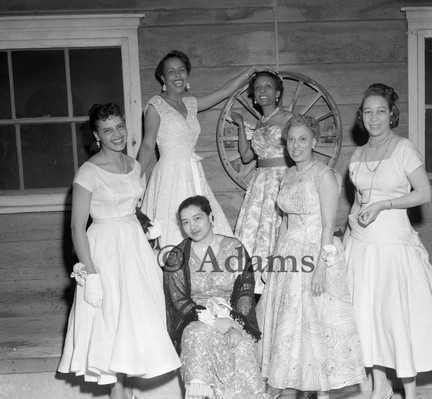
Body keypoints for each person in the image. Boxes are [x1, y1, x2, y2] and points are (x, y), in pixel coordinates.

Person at [58, 103, 181, 399]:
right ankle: (118, 392)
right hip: (104, 248)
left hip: (133, 247)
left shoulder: (134, 165)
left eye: (120, 126)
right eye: (107, 130)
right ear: (96, 136)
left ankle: (126, 389)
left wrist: (147, 230)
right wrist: (91, 273)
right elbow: (77, 228)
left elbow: (132, 206)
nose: (116, 134)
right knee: (111, 318)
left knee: (134, 317)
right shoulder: (87, 172)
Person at [343, 83, 432, 399]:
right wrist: (345, 239)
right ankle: (379, 388)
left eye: (381, 112)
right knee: (368, 316)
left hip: (393, 245)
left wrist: (384, 204)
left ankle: (410, 392)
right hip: (363, 246)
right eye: (368, 112)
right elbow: (359, 203)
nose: (374, 118)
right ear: (362, 116)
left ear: (391, 115)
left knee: (396, 317)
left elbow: (424, 192)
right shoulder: (358, 154)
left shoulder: (404, 148)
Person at [258, 115, 366, 398]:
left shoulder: (324, 175)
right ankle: (294, 386)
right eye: (291, 139)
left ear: (314, 142)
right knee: (290, 326)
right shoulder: (289, 174)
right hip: (289, 256)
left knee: (317, 327)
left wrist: (321, 268)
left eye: (302, 139)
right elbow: (284, 222)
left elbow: (329, 226)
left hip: (316, 253)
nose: (295, 145)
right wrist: (276, 261)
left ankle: (321, 391)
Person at [137, 50, 261, 249]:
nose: (177, 75)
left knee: (204, 226)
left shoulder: (190, 103)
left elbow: (224, 92)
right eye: (171, 71)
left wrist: (251, 71)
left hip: (194, 173)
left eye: (181, 70)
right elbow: (147, 145)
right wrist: (132, 183)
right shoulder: (155, 106)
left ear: (187, 74)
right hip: (169, 176)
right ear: (163, 77)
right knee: (172, 233)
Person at [162, 195, 269, 399]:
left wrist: (235, 325)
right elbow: (179, 300)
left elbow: (245, 289)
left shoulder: (234, 248)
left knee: (242, 345)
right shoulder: (177, 256)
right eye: (185, 222)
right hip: (195, 319)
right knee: (197, 337)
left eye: (197, 218)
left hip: (232, 316)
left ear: (211, 217)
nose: (192, 226)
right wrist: (211, 321)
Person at [231, 70, 293, 294]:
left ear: (277, 93)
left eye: (268, 87)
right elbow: (247, 156)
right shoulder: (259, 123)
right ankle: (255, 289)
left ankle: (278, 285)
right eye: (258, 88)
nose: (263, 91)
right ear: (254, 96)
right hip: (260, 184)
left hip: (280, 179)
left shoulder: (288, 118)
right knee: (254, 234)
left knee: (276, 230)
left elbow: (299, 150)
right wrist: (241, 127)